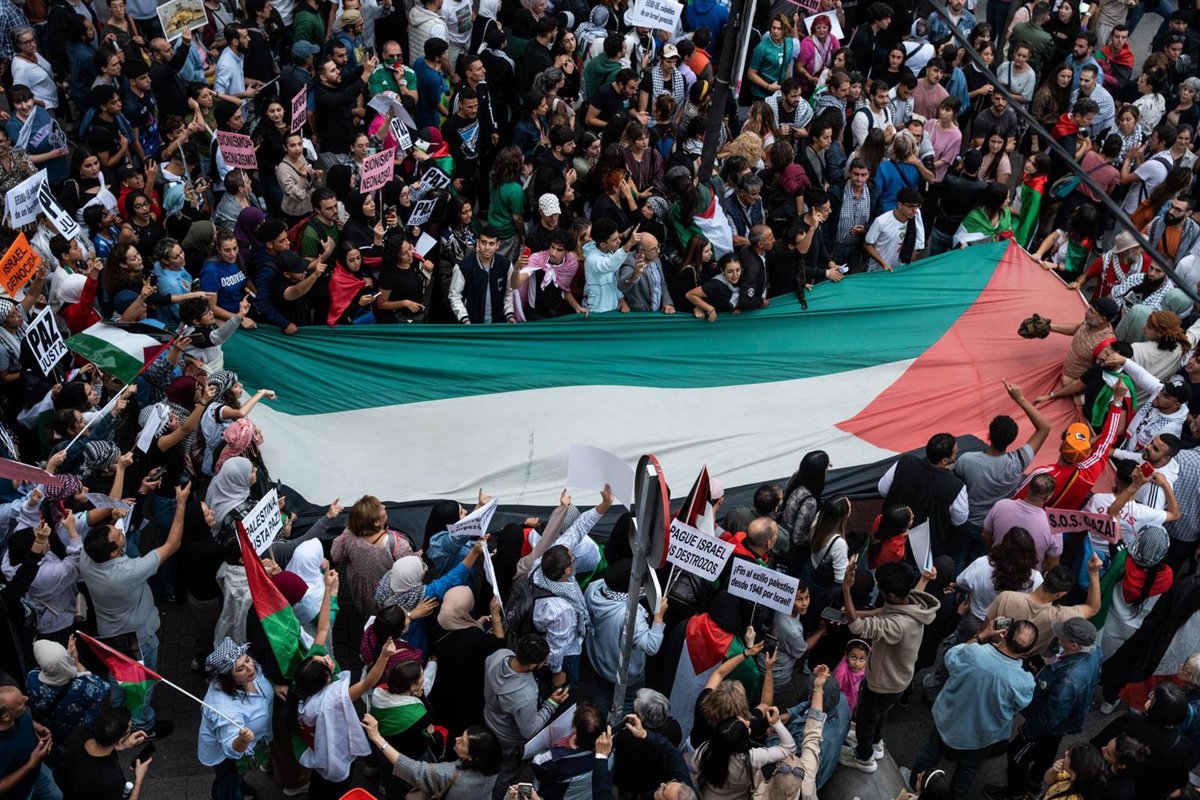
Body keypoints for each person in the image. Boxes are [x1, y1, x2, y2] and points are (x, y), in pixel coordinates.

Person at [79, 483, 190, 737]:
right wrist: (181, 503)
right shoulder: (127, 572)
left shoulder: (87, 558)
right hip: (137, 639)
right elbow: (172, 545)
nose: (120, 531)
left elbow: (105, 538)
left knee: (119, 675)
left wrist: (113, 517)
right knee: (141, 684)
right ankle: (142, 726)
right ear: (114, 552)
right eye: (117, 535)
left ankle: (116, 713)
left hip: (111, 634)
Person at [909, 618, 1038, 799]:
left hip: (948, 720)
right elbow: (1020, 705)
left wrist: (982, 635)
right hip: (983, 736)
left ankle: (913, 788)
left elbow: (950, 657)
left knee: (929, 756)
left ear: (1005, 633)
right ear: (1028, 651)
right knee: (966, 772)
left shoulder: (973, 653)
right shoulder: (1024, 682)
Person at [839, 561, 938, 773]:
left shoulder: (898, 625)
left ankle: (864, 756)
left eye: (880, 586)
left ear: (891, 594)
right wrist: (924, 579)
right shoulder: (912, 602)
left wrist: (846, 590)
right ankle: (876, 742)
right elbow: (884, 610)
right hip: (899, 680)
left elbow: (857, 627)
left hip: (883, 682)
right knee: (880, 713)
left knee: (866, 719)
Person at [988, 618, 1102, 800]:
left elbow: (1050, 717)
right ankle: (1034, 783)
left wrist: (1027, 730)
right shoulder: (1093, 651)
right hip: (1065, 722)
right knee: (1047, 751)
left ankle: (1015, 793)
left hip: (1048, 722)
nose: (1058, 637)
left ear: (1074, 645)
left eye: (1063, 636)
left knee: (1016, 754)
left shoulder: (1069, 680)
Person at [484, 634, 570, 798]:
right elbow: (529, 731)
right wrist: (551, 704)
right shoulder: (526, 695)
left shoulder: (499, 655)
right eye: (544, 662)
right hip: (510, 740)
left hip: (490, 721)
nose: (546, 664)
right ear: (532, 665)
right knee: (507, 773)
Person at [198, 638, 274, 800]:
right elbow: (231, 748)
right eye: (240, 669)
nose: (250, 668)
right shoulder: (224, 708)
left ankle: (236, 785)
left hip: (253, 744)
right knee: (229, 783)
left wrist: (275, 686)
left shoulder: (250, 672)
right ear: (229, 678)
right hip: (228, 758)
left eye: (248, 659)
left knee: (234, 777)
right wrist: (242, 739)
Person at [60, 706, 154, 800]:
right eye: (130, 729)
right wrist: (138, 779)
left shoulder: (79, 733)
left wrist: (121, 745)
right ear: (120, 740)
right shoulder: (110, 781)